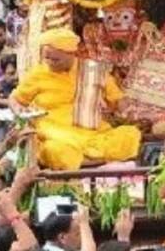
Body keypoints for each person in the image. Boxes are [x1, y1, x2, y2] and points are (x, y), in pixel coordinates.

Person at [9, 28, 141, 170]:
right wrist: (19, 111)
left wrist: (127, 110)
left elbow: (118, 98)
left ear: (72, 54)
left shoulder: (93, 71)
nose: (50, 63)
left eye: (55, 59)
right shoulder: (38, 74)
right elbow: (15, 99)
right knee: (55, 151)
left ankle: (88, 160)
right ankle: (97, 161)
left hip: (94, 133)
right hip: (56, 135)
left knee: (130, 135)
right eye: (46, 58)